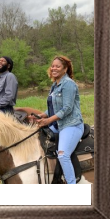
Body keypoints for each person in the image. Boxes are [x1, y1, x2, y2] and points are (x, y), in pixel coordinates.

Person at [30, 55, 84, 184]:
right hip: (58, 124)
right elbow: (54, 108)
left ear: (65, 69)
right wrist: (42, 116)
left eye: (57, 66)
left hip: (71, 125)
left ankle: (72, 185)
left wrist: (48, 121)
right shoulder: (55, 85)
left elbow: (67, 108)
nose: (54, 68)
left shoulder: (68, 84)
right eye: (53, 66)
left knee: (63, 155)